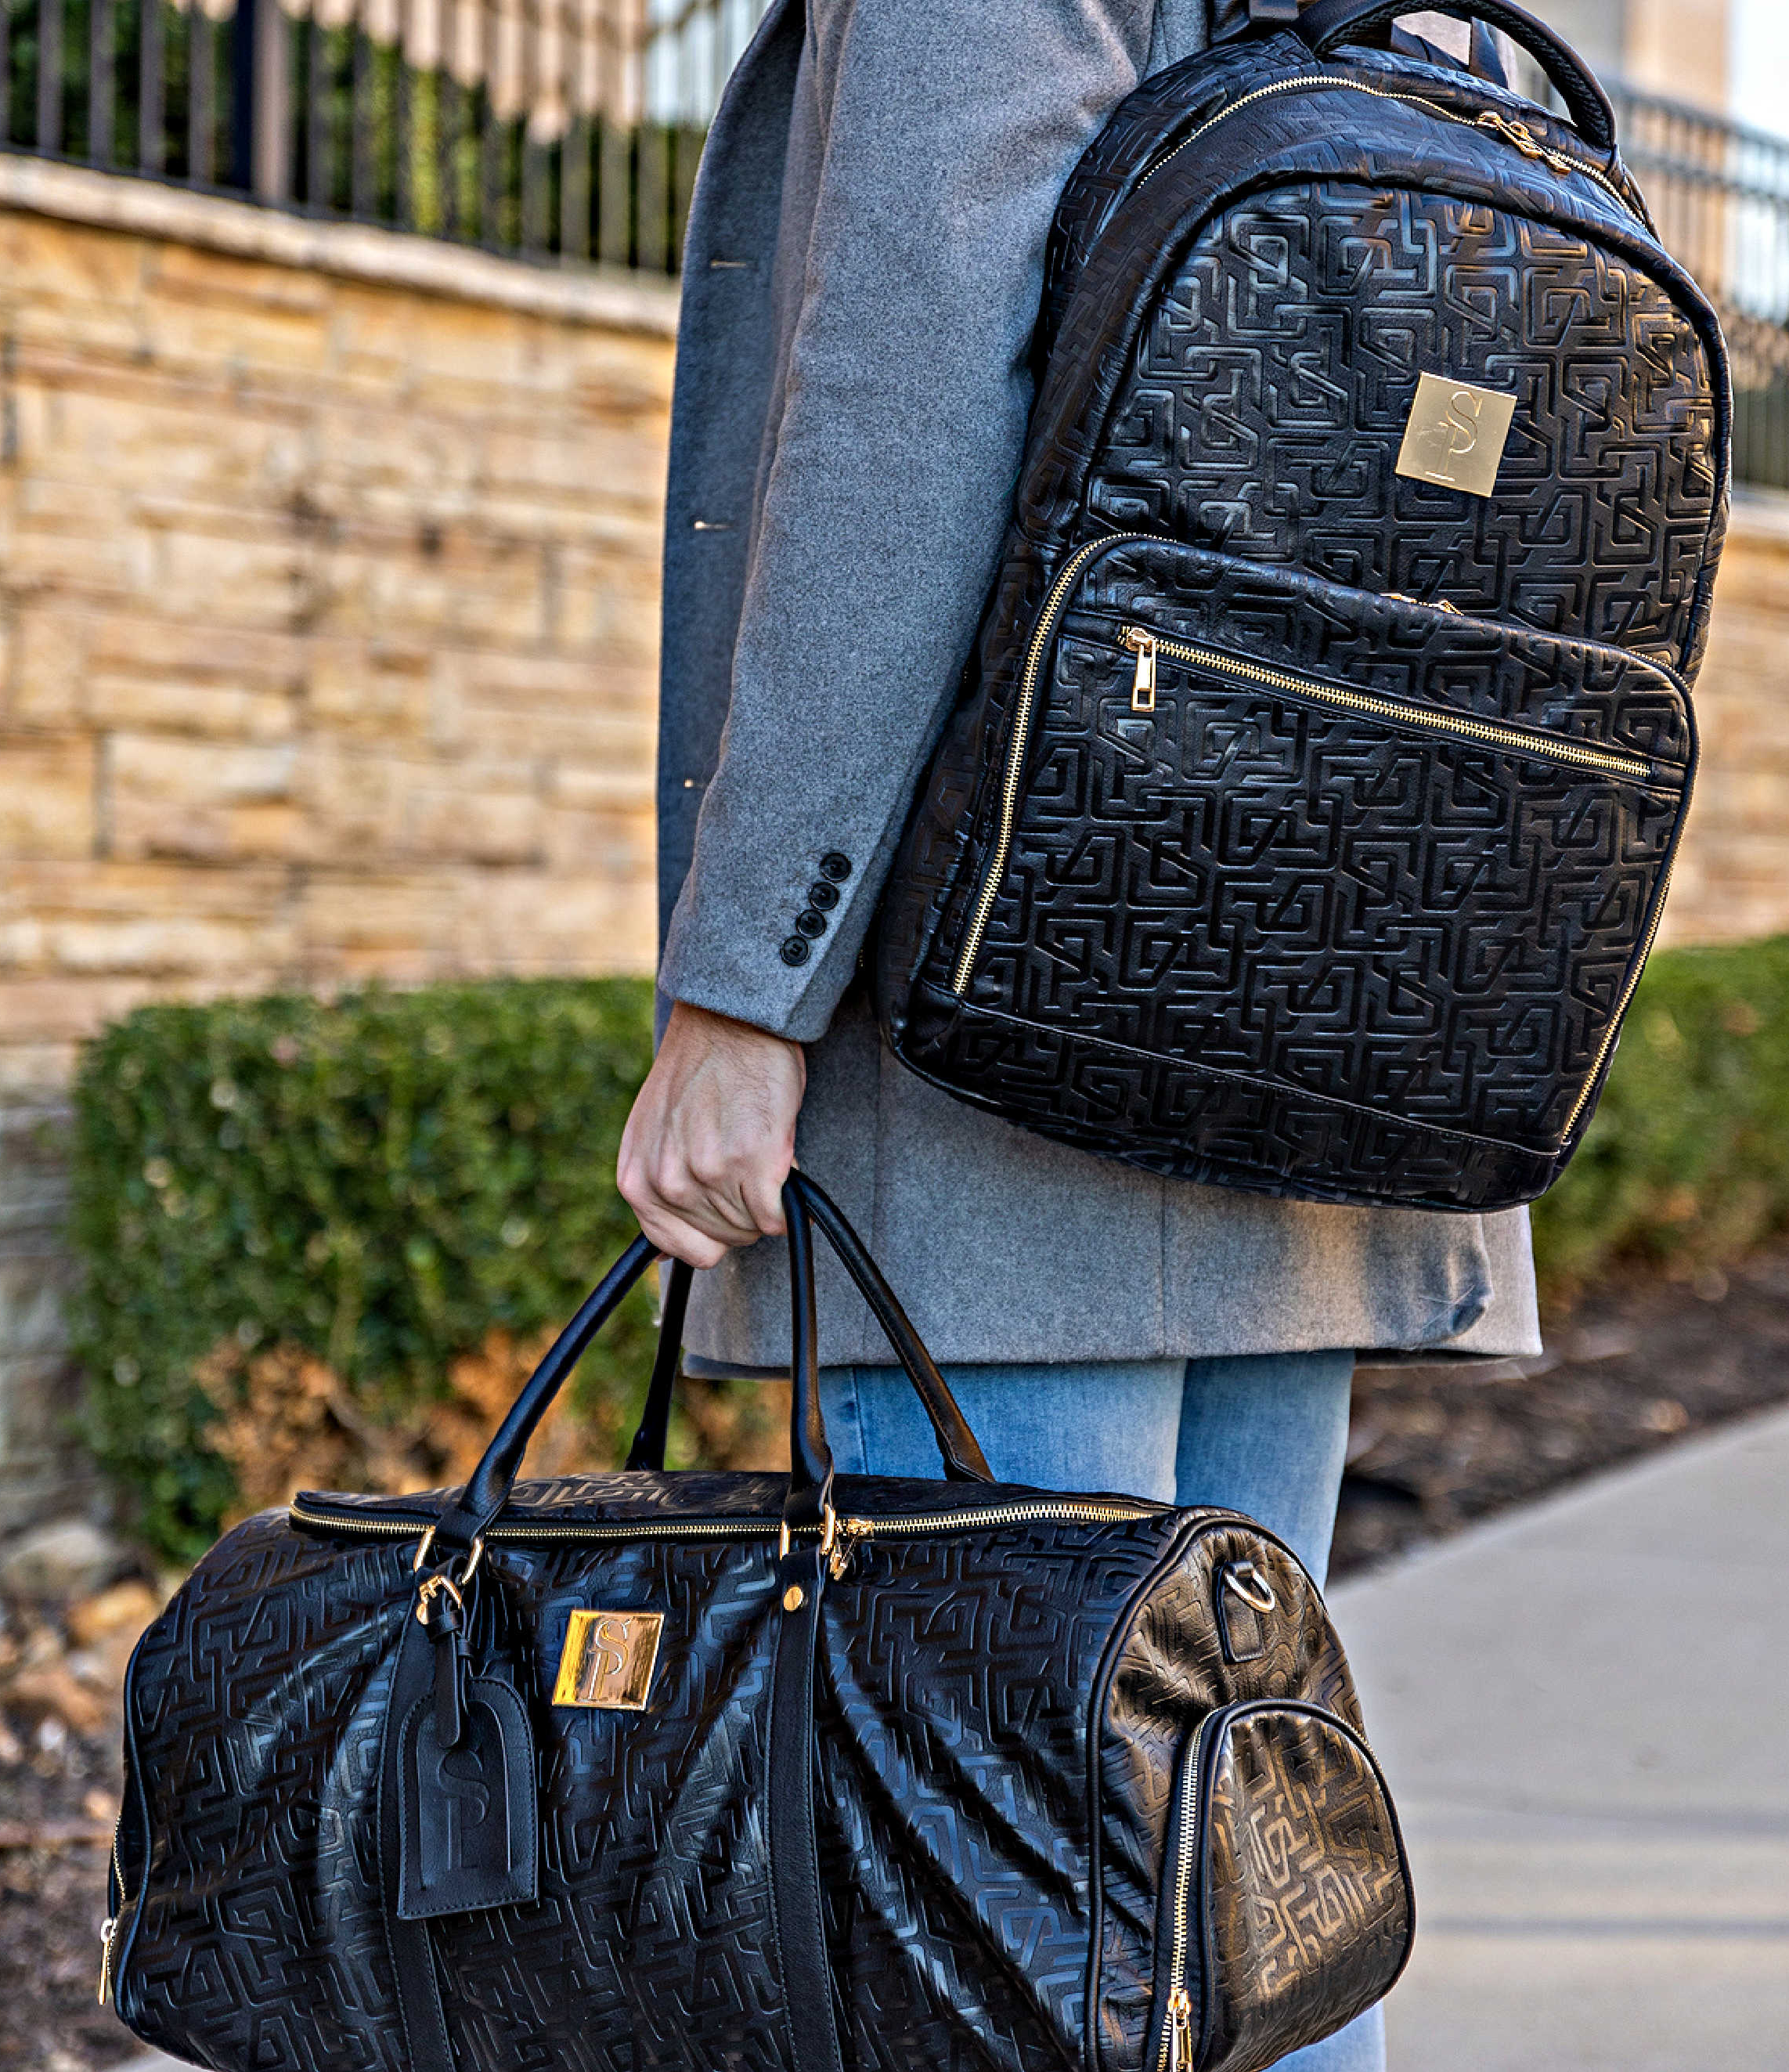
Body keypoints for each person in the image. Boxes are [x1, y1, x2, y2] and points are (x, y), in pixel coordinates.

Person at [617, 3, 1542, 2064]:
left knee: (1017, 1905)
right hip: (1318, 1010)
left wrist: (748, 983)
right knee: (1243, 1884)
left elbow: (907, 398)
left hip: (1004, 1031)